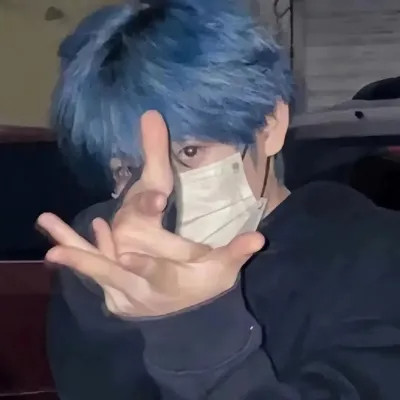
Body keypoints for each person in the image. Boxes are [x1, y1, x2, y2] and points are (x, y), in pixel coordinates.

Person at [38, 1, 400, 399]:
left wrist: (193, 328)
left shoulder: (375, 256)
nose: (157, 193)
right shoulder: (102, 254)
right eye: (127, 168)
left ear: (269, 126)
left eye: (189, 152)